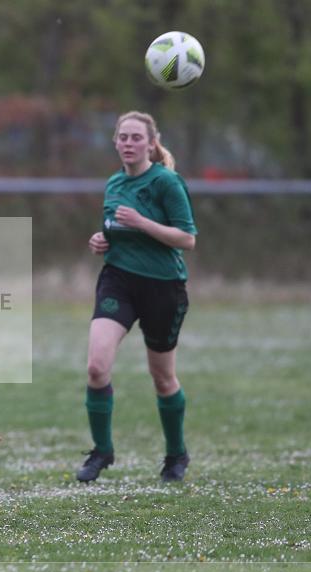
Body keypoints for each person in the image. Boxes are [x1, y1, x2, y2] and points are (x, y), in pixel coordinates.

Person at [76, 111, 197, 484]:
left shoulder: (166, 182)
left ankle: (176, 455)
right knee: (97, 367)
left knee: (162, 377)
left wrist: (143, 223)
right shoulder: (114, 184)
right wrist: (102, 241)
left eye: (135, 137)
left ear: (150, 143)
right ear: (115, 142)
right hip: (118, 281)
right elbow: (113, 231)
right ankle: (101, 451)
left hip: (163, 287)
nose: (128, 143)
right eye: (123, 137)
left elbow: (187, 239)